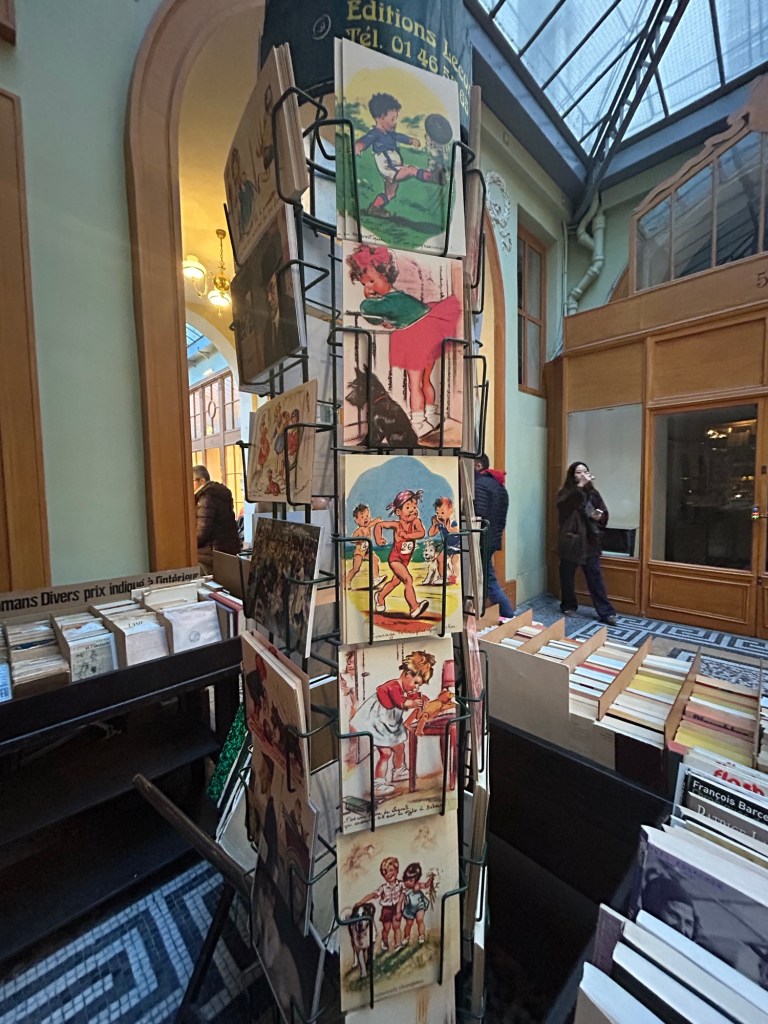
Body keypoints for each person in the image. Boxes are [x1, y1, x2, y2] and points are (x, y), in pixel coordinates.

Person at [346, 244, 460, 437]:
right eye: (364, 284)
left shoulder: (390, 301)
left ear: (385, 276)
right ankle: (432, 415)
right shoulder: (399, 297)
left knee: (414, 384)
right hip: (429, 331)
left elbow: (366, 309)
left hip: (415, 337)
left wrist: (374, 305)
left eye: (372, 281)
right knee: (425, 380)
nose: (368, 288)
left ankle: (419, 422)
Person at [355, 92, 443, 218]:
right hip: (389, 168)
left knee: (390, 194)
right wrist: (359, 146)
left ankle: (374, 208)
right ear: (380, 118)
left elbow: (400, 137)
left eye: (396, 119)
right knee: (411, 170)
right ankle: (433, 176)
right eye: (392, 119)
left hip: (394, 167)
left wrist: (411, 140)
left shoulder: (390, 134)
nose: (395, 122)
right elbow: (365, 140)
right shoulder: (375, 133)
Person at [556, 461, 617, 625]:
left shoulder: (593, 494)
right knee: (567, 575)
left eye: (585, 471)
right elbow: (564, 508)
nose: (582, 474)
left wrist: (599, 516)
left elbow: (604, 513)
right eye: (578, 472)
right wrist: (580, 487)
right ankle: (568, 605)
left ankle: (606, 612)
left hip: (590, 541)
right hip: (572, 540)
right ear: (572, 476)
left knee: (595, 577)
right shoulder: (566, 492)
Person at [474, 454, 514, 618]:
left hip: (482, 539)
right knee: (487, 577)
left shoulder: (479, 484)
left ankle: (508, 614)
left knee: (489, 580)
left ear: (478, 466)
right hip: (492, 538)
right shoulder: (497, 485)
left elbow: (478, 513)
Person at [192, 465, 241, 574]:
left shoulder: (205, 498)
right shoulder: (220, 493)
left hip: (212, 552)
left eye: (192, 481)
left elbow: (202, 532)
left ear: (202, 480)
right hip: (227, 550)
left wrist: (188, 543)